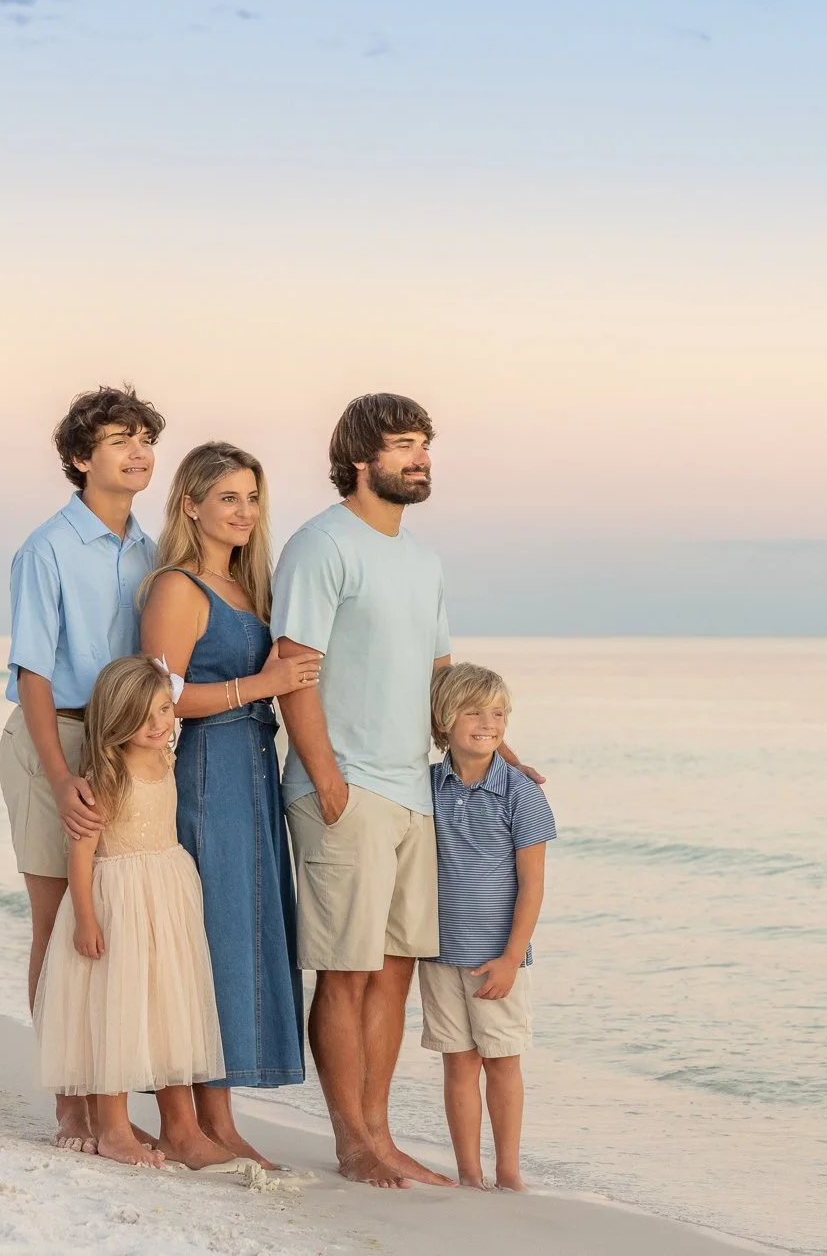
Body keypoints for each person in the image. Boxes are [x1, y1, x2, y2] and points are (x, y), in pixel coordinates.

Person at [270, 392, 540, 1189]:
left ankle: (382, 1135)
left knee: (391, 970)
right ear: (362, 459)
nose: (421, 457)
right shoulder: (323, 545)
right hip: (345, 788)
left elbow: (437, 676)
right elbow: (294, 663)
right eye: (403, 445)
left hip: (412, 794)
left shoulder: (422, 560)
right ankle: (351, 1141)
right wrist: (325, 777)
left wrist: (495, 742)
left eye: (425, 443)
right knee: (345, 971)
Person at [139, 441, 319, 1171]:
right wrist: (261, 687)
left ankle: (221, 1122)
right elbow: (161, 695)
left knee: (239, 940)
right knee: (201, 942)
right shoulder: (178, 587)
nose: (244, 513)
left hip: (253, 770)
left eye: (252, 499)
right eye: (228, 499)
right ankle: (183, 1124)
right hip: (206, 770)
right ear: (191, 505)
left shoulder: (253, 586)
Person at [0, 384, 163, 1153]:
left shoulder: (151, 550)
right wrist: (61, 778)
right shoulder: (47, 549)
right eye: (120, 440)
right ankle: (70, 1103)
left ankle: (107, 1099)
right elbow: (32, 672)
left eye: (144, 440)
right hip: (56, 739)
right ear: (79, 457)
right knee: (59, 918)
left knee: (112, 918)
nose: (139, 453)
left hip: (126, 749)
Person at [33, 656, 235, 1171]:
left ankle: (180, 1129)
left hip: (166, 896)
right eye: (144, 716)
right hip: (118, 901)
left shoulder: (167, 758)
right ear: (115, 719)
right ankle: (115, 1130)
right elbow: (80, 854)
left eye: (165, 710)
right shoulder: (105, 776)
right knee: (116, 1011)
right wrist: (84, 919)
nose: (158, 724)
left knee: (165, 1002)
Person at [420, 663, 555, 1191]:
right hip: (439, 952)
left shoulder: (520, 791)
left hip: (496, 957)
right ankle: (469, 1175)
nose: (488, 722)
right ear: (443, 723)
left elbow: (533, 884)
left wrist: (510, 956)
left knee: (501, 1062)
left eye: (497, 713)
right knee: (458, 1064)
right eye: (473, 711)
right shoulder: (428, 787)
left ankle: (509, 1173)